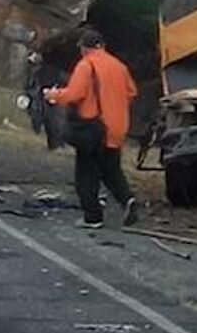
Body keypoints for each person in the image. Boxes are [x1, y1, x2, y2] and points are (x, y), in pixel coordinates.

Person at [46, 29, 139, 228]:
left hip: (94, 128)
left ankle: (93, 217)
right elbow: (131, 92)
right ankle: (128, 200)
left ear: (84, 48)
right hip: (117, 127)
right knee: (111, 170)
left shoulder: (86, 65)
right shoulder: (119, 66)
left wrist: (53, 95)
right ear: (102, 46)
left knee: (86, 173)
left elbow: (75, 94)